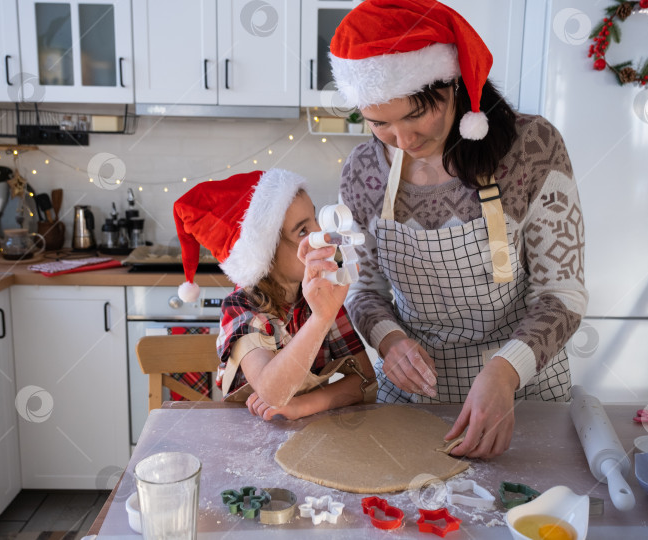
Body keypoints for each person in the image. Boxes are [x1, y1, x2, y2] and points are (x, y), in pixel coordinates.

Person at [329, 0, 588, 458]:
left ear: (456, 87)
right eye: (379, 123)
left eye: (414, 115)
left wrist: (504, 371)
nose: (403, 141)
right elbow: (363, 289)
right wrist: (389, 340)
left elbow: (560, 294)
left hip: (523, 391)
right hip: (411, 402)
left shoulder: (531, 147)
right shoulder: (361, 172)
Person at [173, 169, 376, 421]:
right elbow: (272, 393)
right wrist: (321, 320)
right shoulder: (242, 308)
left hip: (310, 436)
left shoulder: (320, 294)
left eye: (314, 218)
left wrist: (301, 406)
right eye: (302, 231)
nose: (321, 233)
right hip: (249, 442)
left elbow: (365, 380)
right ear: (266, 257)